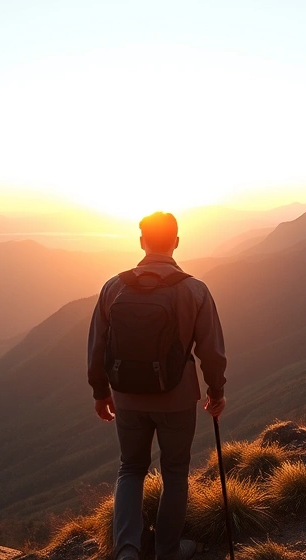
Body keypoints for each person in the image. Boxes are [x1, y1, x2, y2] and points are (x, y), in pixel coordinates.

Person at [88, 211, 227, 560]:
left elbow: (97, 346)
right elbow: (211, 351)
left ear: (141, 241)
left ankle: (127, 552)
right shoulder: (194, 290)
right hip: (177, 399)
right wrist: (216, 392)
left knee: (131, 468)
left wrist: (100, 392)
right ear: (176, 242)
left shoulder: (113, 287)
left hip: (127, 398)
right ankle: (167, 551)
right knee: (176, 472)